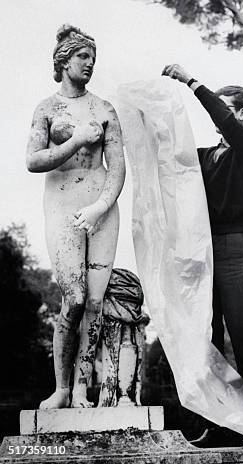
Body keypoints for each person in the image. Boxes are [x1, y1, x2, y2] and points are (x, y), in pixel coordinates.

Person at [162, 64, 243, 446]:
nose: (217, 115)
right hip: (205, 250)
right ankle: (220, 423)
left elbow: (221, 117)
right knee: (210, 341)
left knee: (242, 337)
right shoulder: (206, 156)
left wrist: (192, 82)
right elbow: (171, 153)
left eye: (225, 108)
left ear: (239, 113)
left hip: (238, 248)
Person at [26, 25, 125, 409]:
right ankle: (63, 388)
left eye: (94, 59)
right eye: (83, 57)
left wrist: (101, 206)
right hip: (64, 206)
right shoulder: (47, 109)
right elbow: (33, 160)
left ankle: (85, 388)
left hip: (100, 208)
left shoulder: (104, 109)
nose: (90, 64)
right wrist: (76, 140)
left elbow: (117, 167)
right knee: (76, 297)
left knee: (97, 302)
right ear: (64, 60)